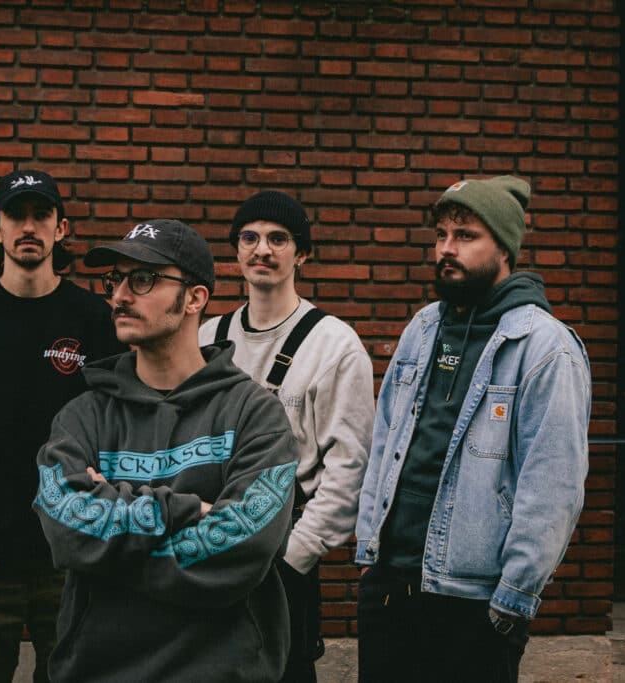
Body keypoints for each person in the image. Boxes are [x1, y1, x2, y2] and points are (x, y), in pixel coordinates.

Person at [33, 218, 299, 683]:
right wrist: (189, 510)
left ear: (194, 298)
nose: (119, 296)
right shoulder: (83, 417)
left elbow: (246, 545)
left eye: (143, 279)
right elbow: (66, 529)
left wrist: (112, 532)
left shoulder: (253, 414)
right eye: (115, 280)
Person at [354, 176, 592, 682]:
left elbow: (553, 487)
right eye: (441, 234)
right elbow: (385, 439)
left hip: (474, 603)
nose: (446, 248)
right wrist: (369, 554)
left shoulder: (544, 348)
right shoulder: (423, 328)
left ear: (504, 248)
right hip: (392, 587)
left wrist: (513, 598)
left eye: (465, 235)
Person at [0, 169, 125, 683]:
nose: (29, 227)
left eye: (42, 215)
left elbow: (119, 427)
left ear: (61, 229)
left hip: (71, 557)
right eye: (16, 215)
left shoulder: (93, 320)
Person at [198, 191, 374, 682]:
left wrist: (293, 557)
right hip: (206, 550)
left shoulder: (333, 345)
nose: (262, 249)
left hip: (280, 558)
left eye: (278, 238)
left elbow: (348, 470)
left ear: (302, 254)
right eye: (249, 237)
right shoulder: (206, 338)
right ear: (236, 249)